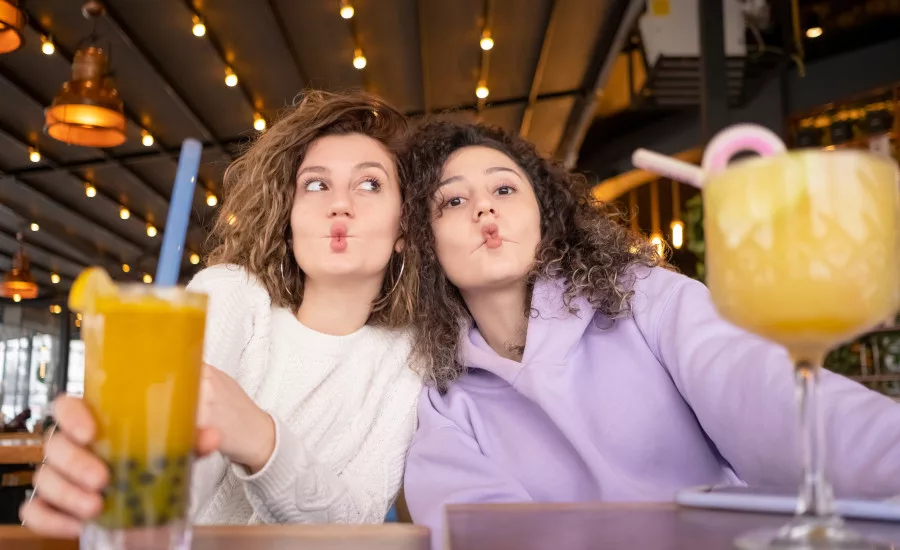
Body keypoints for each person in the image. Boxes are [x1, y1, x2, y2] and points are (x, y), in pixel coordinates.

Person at [399, 120, 900, 544]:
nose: (484, 209)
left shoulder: (644, 298)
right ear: (424, 240)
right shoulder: (443, 397)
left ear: (544, 215)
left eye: (504, 189)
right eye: (453, 201)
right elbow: (481, 531)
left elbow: (766, 395)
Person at [20, 91, 423, 536]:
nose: (340, 203)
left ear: (404, 227)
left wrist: (261, 439)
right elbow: (172, 481)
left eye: (370, 184)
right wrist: (98, 479)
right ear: (288, 221)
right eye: (315, 184)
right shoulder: (233, 294)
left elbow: (356, 527)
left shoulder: (408, 356)